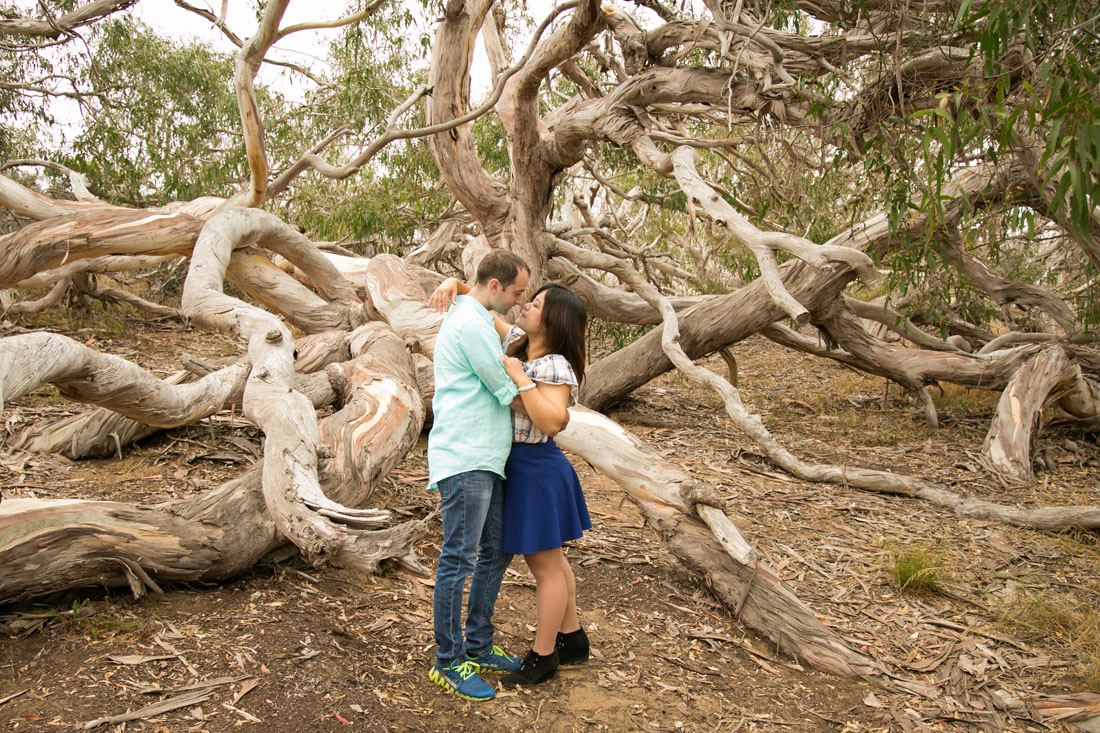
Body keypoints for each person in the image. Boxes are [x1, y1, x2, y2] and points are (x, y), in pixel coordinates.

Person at [431, 277, 592, 688]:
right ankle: (572, 637)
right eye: (527, 298)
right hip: (520, 466)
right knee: (553, 561)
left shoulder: (553, 364)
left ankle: (543, 656)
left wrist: (520, 379)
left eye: (536, 304)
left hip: (537, 468)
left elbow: (553, 421)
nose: (526, 305)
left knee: (545, 567)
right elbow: (486, 303)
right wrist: (455, 284)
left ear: (554, 321)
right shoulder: (519, 342)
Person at [426, 249, 530, 702]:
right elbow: (506, 388)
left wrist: (458, 283)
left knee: (497, 549)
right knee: (459, 559)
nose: (520, 300)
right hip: (466, 456)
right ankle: (449, 661)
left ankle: (478, 645)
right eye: (517, 292)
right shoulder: (470, 325)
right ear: (494, 287)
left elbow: (509, 338)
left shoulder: (478, 315)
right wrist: (559, 410)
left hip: (488, 457)